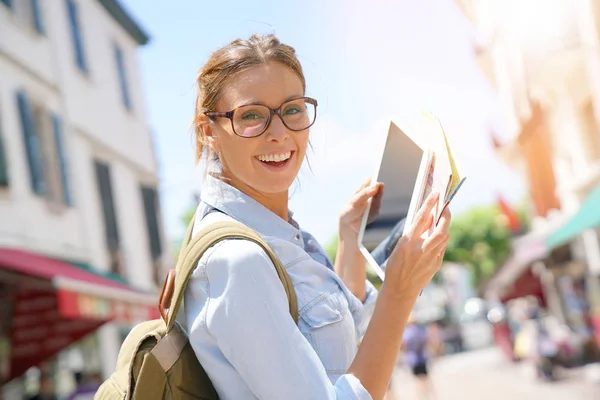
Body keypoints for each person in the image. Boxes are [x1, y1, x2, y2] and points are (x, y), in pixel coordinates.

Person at [182, 33, 451, 400]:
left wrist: (350, 243)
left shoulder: (282, 237)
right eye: (251, 116)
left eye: (292, 109)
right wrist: (399, 293)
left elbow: (342, 350)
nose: (278, 133)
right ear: (208, 131)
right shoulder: (237, 260)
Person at [402, 315, 433, 400]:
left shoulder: (407, 332)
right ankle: (428, 396)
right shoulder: (421, 330)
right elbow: (427, 341)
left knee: (418, 380)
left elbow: (404, 345)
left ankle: (423, 397)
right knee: (425, 379)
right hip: (422, 357)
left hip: (413, 359)